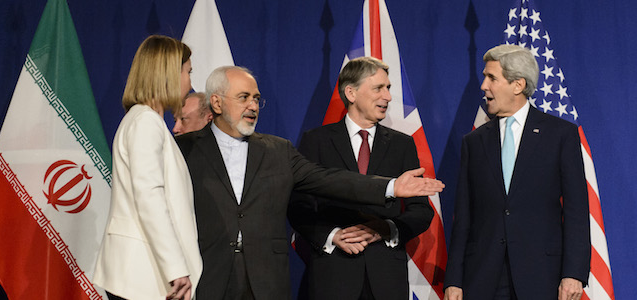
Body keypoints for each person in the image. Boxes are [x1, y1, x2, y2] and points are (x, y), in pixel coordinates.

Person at [175, 65, 445, 300]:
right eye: (244, 98)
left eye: (257, 99)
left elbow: (328, 179)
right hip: (207, 276)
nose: (253, 106)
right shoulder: (182, 150)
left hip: (265, 282)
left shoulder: (278, 150)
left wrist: (390, 187)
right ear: (217, 103)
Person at [444, 45, 590, 300]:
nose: (483, 86)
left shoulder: (560, 135)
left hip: (542, 276)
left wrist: (573, 273)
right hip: (483, 277)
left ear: (518, 84)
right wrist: (454, 279)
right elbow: (464, 216)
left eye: (492, 78)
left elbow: (577, 210)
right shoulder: (474, 142)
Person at [288, 56, 434, 300]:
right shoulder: (317, 141)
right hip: (333, 275)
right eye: (379, 88)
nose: (387, 96)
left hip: (386, 277)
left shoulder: (402, 145)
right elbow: (297, 205)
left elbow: (421, 211)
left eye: (388, 88)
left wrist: (386, 229)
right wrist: (332, 236)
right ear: (351, 93)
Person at [93, 35, 202, 300]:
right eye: (188, 72)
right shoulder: (145, 123)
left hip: (143, 269)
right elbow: (149, 196)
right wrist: (176, 268)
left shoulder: (143, 120)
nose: (190, 82)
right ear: (167, 74)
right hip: (142, 273)